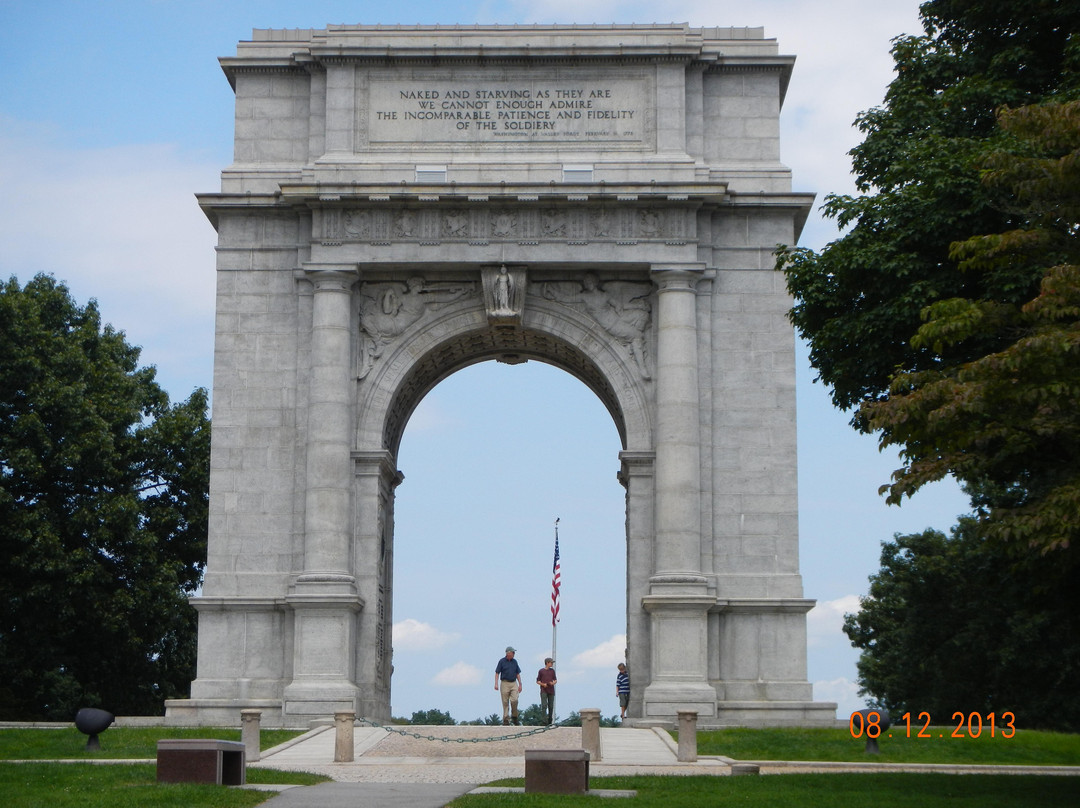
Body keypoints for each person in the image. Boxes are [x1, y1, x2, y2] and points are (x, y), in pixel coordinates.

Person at [494, 646, 523, 725]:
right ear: (508, 653)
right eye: (513, 652)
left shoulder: (515, 662)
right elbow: (497, 673)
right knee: (505, 701)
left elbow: (518, 673)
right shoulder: (502, 661)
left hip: (513, 683)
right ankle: (506, 719)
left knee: (515, 700)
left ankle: (514, 716)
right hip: (504, 682)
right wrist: (496, 683)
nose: (514, 654)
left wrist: (520, 684)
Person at [536, 658, 557, 725]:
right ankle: (544, 720)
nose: (552, 664)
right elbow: (538, 681)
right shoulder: (541, 671)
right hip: (544, 690)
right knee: (544, 705)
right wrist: (543, 684)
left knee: (551, 706)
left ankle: (550, 719)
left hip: (551, 690)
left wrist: (553, 683)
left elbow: (555, 679)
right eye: (551, 662)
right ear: (547, 663)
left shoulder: (552, 671)